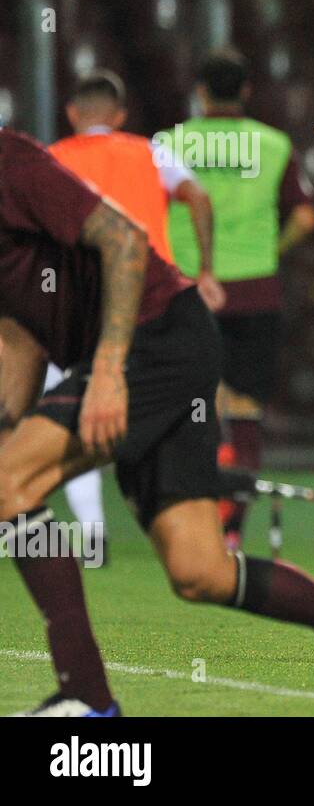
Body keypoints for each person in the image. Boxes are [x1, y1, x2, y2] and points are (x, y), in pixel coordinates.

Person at [0, 129, 314, 717]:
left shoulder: (8, 160)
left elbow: (126, 240)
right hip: (160, 348)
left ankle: (87, 699)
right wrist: (11, 424)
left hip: (154, 339)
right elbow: (20, 336)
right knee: (200, 573)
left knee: (9, 485)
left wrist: (108, 371)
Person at [46, 70, 224, 562]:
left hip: (79, 305)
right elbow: (199, 197)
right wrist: (206, 269)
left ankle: (92, 532)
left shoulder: (52, 160)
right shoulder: (151, 151)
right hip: (156, 306)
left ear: (73, 115)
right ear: (120, 116)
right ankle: (187, 526)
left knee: (74, 410)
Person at [160, 49, 314, 547]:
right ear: (246, 91)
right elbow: (306, 217)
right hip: (254, 290)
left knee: (194, 407)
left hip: (187, 288)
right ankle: (233, 531)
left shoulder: (169, 144)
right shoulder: (273, 145)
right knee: (245, 410)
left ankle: (193, 522)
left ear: (201, 92)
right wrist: (271, 248)